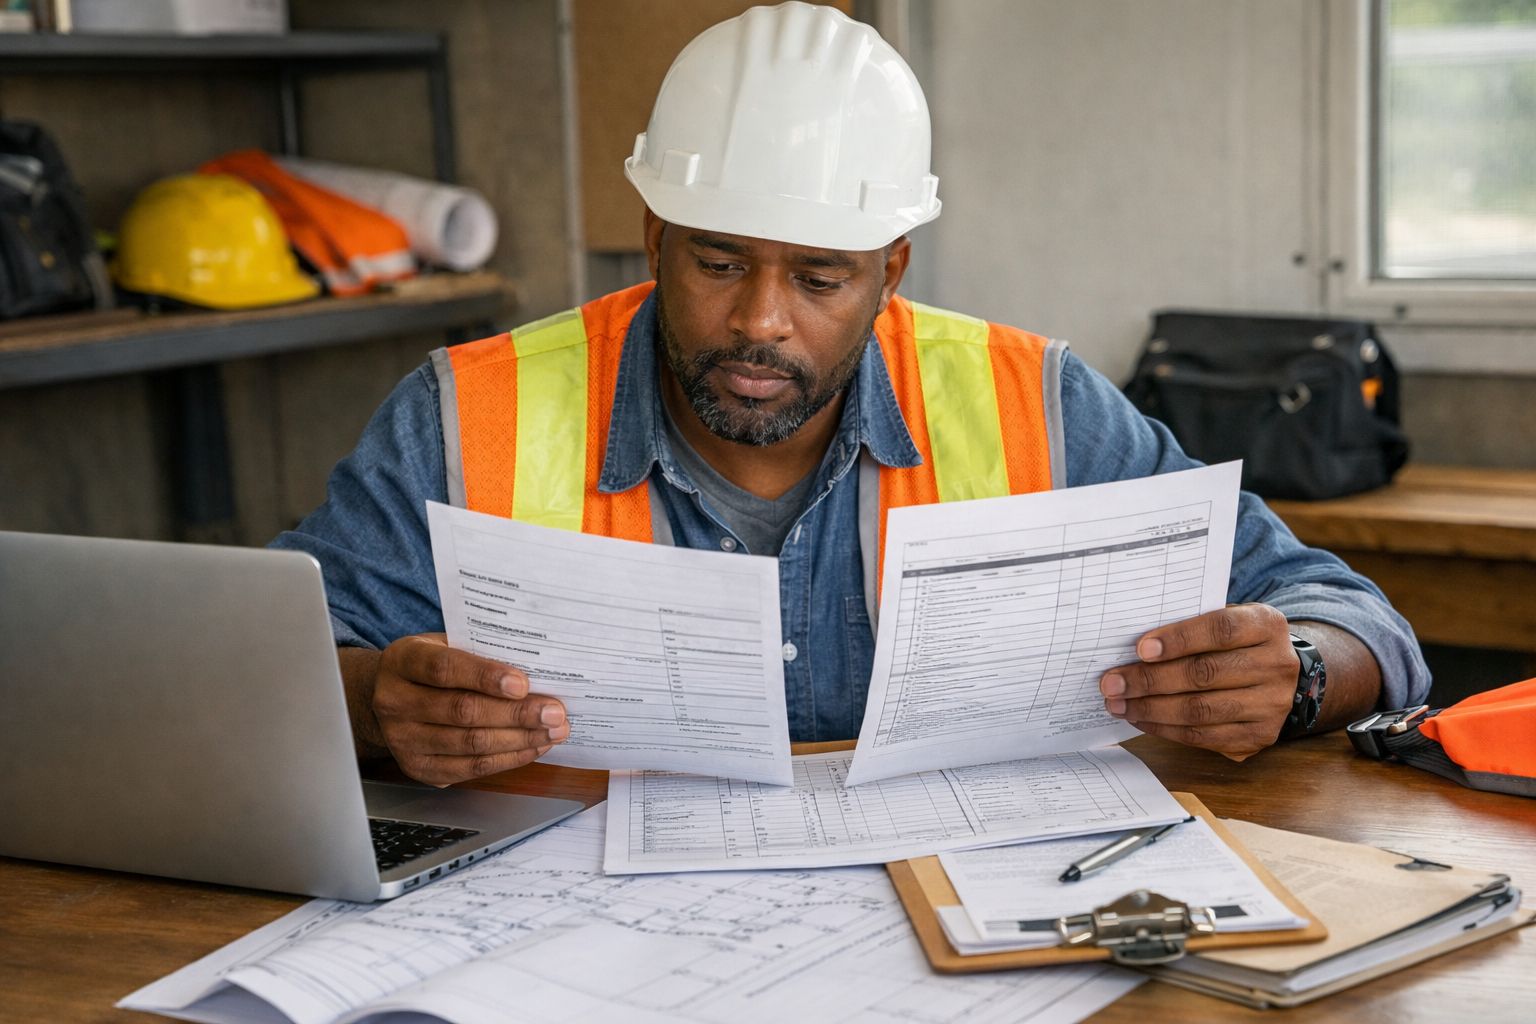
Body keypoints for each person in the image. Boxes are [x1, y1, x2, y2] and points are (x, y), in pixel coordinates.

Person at [273, 2, 1429, 787]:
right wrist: (379, 700)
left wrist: (1296, 677)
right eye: (718, 261)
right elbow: (271, 666)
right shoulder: (467, 411)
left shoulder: (1035, 399)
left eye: (820, 277)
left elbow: (1351, 613)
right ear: (654, 237)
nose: (761, 320)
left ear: (891, 272)